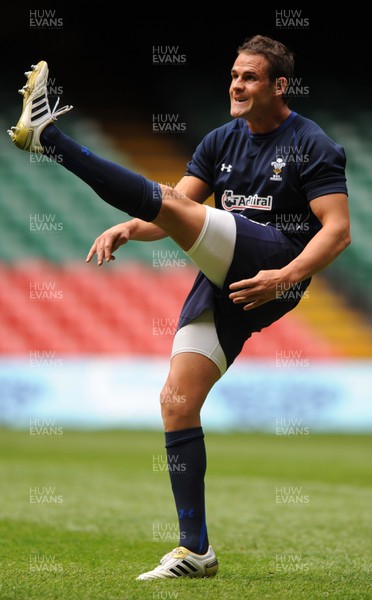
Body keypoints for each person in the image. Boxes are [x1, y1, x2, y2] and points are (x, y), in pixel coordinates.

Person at [8, 35, 350, 580]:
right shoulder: (220, 140)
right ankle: (197, 552)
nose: (237, 85)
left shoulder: (312, 144)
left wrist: (287, 276)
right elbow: (177, 207)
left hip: (276, 265)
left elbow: (338, 231)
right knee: (176, 401)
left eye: (251, 77)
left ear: (280, 85)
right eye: (235, 75)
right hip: (226, 279)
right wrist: (130, 226)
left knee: (165, 199)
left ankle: (51, 141)